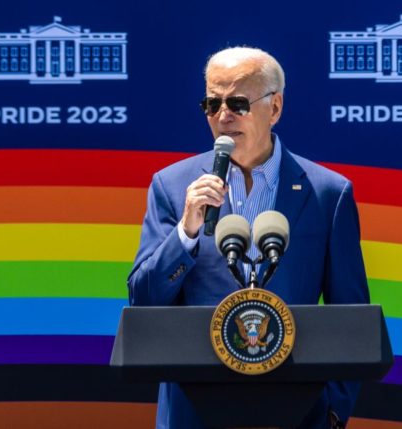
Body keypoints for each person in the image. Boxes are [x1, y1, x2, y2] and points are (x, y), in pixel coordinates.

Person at [127, 46, 370, 429]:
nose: (223, 116)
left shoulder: (327, 194)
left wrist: (333, 411)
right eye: (212, 103)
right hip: (194, 412)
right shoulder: (173, 187)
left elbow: (353, 317)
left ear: (274, 108)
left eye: (238, 103)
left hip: (299, 412)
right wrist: (185, 232)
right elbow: (142, 302)